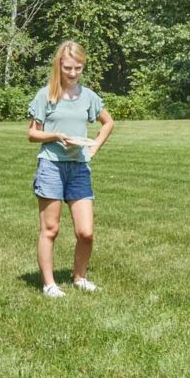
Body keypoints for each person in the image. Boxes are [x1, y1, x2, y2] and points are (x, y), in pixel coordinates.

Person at [27, 40, 114, 297]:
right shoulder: (46, 95)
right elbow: (32, 133)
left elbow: (108, 123)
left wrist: (95, 146)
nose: (73, 73)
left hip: (79, 168)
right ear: (59, 66)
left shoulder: (88, 96)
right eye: (68, 68)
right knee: (50, 229)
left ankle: (79, 277)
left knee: (86, 232)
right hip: (51, 167)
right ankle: (49, 284)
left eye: (78, 68)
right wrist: (55, 136)